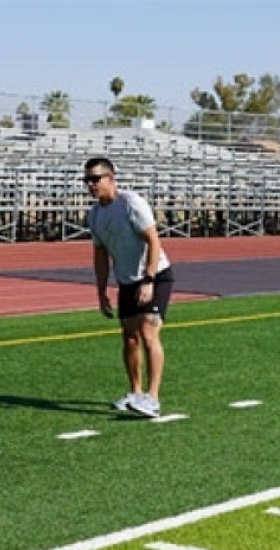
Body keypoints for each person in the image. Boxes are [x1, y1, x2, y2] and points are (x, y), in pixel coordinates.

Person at [85, 157, 173, 418]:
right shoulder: (95, 214)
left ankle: (153, 398)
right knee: (130, 337)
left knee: (148, 332)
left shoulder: (131, 203)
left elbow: (153, 240)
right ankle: (135, 392)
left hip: (156, 275)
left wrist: (148, 279)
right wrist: (101, 291)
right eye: (87, 180)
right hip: (126, 281)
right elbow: (100, 255)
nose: (91, 185)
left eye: (95, 179)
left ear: (111, 179)